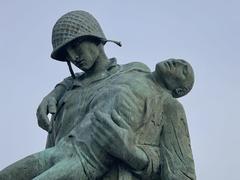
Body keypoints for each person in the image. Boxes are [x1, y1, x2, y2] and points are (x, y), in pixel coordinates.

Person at [0, 10, 196, 180]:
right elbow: (51, 148)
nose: (73, 56)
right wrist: (57, 91)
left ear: (96, 39)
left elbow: (180, 173)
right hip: (60, 155)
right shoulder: (67, 94)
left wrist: (130, 152)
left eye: (76, 45)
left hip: (90, 163)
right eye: (66, 54)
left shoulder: (160, 97)